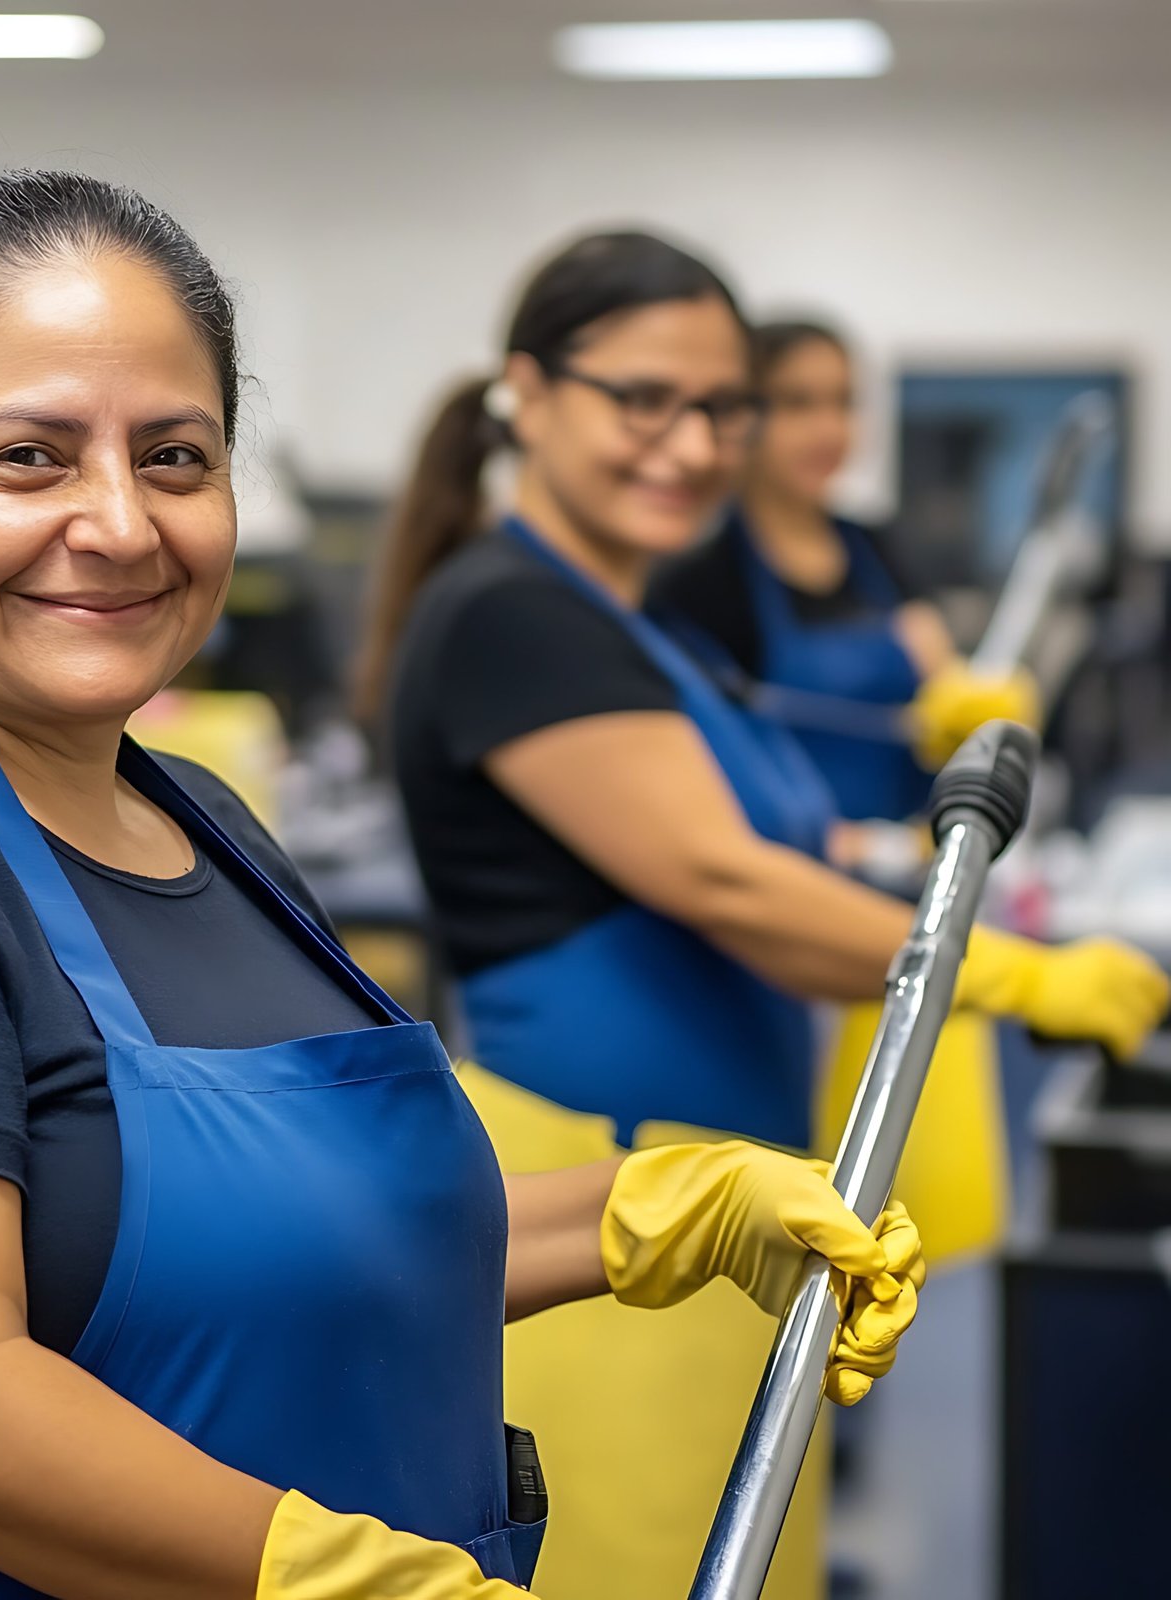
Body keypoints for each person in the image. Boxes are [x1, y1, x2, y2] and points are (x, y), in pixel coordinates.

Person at [0, 174, 920, 1600]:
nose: (122, 523)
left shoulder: (196, 817)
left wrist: (660, 1210)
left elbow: (326, 1242)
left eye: (177, 458)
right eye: (28, 458)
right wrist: (340, 1579)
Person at [362, 229, 1167, 1597]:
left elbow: (783, 843)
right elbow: (724, 883)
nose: (689, 443)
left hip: (718, 1199)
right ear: (530, 394)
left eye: (722, 407)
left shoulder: (640, 626)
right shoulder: (513, 615)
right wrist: (1010, 975)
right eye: (642, 399)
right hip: (598, 1222)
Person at [649, 317, 1035, 830]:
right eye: (798, 403)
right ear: (743, 415)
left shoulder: (877, 547)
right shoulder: (703, 578)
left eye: (844, 403)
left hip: (909, 856)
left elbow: (936, 666)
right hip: (783, 869)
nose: (829, 429)